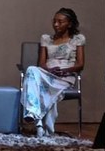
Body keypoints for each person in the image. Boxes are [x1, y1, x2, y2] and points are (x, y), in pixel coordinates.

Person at [21, 8, 85, 137]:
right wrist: (50, 70)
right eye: (54, 21)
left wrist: (64, 70)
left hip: (64, 78)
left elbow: (80, 64)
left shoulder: (77, 39)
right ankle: (34, 114)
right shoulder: (46, 39)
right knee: (31, 69)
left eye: (60, 22)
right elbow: (42, 64)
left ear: (70, 24)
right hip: (47, 74)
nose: (56, 24)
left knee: (44, 91)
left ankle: (39, 124)